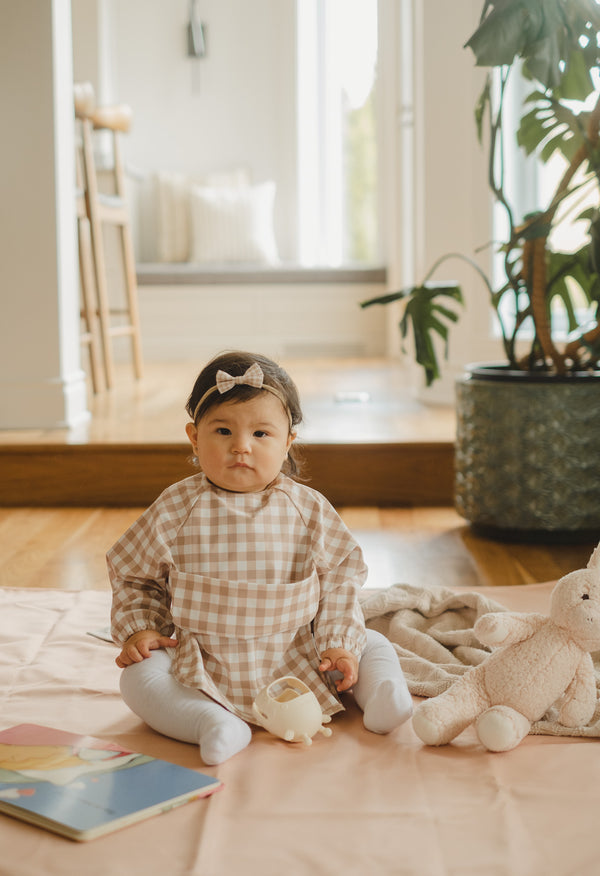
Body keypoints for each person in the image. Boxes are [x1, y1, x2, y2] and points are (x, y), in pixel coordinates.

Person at [108, 351, 412, 765]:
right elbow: (134, 575)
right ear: (194, 437)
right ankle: (208, 722)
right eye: (222, 430)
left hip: (299, 650)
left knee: (373, 643)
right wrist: (140, 629)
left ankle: (382, 696)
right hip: (200, 657)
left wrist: (338, 644)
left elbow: (341, 579)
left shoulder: (309, 509)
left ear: (288, 442)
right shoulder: (175, 508)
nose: (241, 447)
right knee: (138, 677)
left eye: (261, 434)